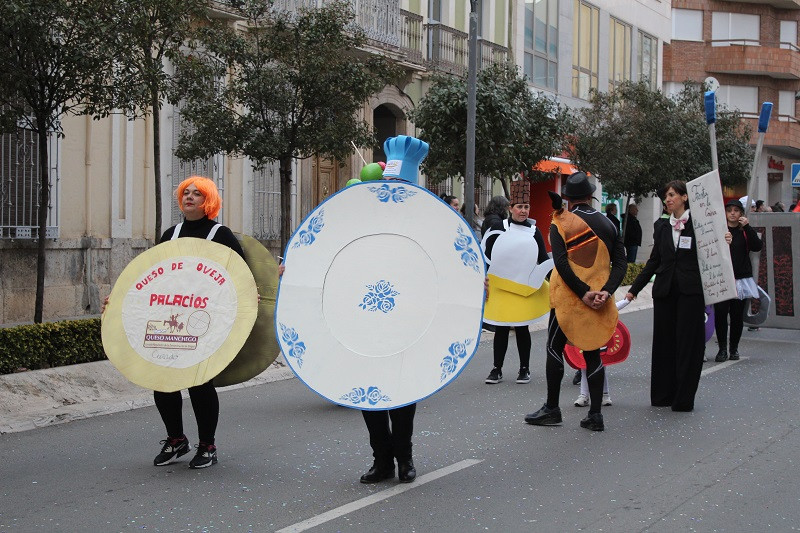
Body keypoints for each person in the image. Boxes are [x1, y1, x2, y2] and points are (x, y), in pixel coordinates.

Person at [525, 172, 627, 431]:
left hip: (569, 299)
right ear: (591, 196)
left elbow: (560, 263)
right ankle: (595, 415)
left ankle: (552, 408)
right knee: (592, 351)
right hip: (600, 299)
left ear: (568, 199)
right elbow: (621, 263)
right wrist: (605, 291)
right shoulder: (609, 223)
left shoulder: (561, 221)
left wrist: (581, 292)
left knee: (554, 347)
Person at [625, 180, 717, 412]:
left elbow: (714, 252)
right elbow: (655, 260)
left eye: (672, 194)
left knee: (688, 344)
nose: (668, 199)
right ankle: (663, 394)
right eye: (666, 196)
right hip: (665, 291)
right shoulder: (661, 226)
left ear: (685, 197)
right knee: (664, 343)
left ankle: (683, 398)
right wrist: (634, 289)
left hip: (691, 291)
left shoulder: (700, 224)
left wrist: (727, 240)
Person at [482, 182, 549, 385]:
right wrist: (483, 277)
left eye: (527, 207)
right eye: (519, 207)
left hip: (522, 287)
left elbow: (543, 259)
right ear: (510, 208)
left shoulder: (534, 231)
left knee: (521, 327)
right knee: (501, 327)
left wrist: (554, 278)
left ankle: (524, 369)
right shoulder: (497, 228)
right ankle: (497, 369)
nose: (523, 210)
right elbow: (485, 256)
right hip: (501, 286)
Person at [713, 199, 762, 362]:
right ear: (725, 213)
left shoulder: (745, 232)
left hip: (741, 279)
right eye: (729, 210)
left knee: (736, 316)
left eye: (736, 210)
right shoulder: (720, 230)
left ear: (741, 213)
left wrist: (747, 226)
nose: (732, 213)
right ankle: (722, 349)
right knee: (720, 315)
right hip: (722, 278)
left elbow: (757, 246)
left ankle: (734, 348)